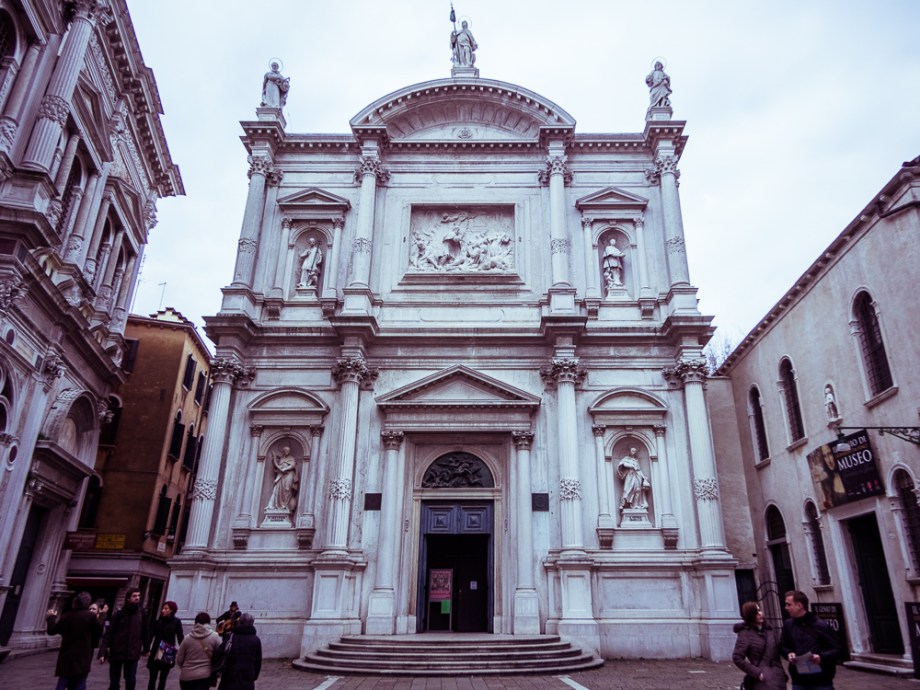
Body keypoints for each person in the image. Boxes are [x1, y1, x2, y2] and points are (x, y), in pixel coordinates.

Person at [780, 590, 841, 690]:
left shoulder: (821, 626)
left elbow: (837, 649)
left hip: (821, 680)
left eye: (788, 605)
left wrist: (821, 657)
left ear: (799, 605)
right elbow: (782, 645)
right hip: (799, 679)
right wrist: (789, 653)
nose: (786, 608)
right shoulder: (788, 625)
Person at [46, 591, 106, 690]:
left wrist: (51, 618)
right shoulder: (90, 616)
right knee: (80, 682)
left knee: (62, 682)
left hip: (66, 655)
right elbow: (99, 629)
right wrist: (103, 615)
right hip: (82, 656)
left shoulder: (67, 616)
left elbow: (52, 630)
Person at [99, 588, 149, 690]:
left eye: (139, 596)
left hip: (133, 651)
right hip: (117, 651)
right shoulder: (119, 614)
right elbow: (109, 634)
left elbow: (145, 632)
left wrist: (146, 648)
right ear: (128, 598)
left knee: (131, 680)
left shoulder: (142, 613)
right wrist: (102, 652)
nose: (137, 598)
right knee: (114, 682)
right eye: (134, 596)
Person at [733, 601, 787, 690]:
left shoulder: (769, 631)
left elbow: (776, 655)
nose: (760, 614)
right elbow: (737, 657)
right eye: (756, 612)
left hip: (778, 678)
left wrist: (781, 672)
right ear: (750, 615)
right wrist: (756, 673)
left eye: (760, 610)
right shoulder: (745, 634)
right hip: (761, 679)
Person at [175, 612, 221, 690]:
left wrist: (186, 668)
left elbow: (179, 659)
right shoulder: (215, 637)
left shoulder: (187, 638)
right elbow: (220, 656)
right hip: (204, 676)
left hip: (186, 676)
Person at [216, 613, 262, 690]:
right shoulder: (256, 640)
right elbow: (258, 661)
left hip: (229, 677)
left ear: (239, 622)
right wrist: (254, 676)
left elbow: (219, 654)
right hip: (247, 678)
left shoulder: (230, 637)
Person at [146, 601, 184, 690]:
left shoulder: (176, 622)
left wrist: (182, 651)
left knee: (163, 678)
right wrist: (147, 649)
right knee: (152, 678)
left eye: (166, 609)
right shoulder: (158, 621)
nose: (163, 611)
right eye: (163, 608)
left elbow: (180, 637)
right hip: (156, 652)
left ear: (171, 610)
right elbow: (151, 635)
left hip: (168, 652)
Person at [267, 446, 298, 512]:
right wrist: (276, 463)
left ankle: (285, 505)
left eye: (288, 451)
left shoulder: (291, 458)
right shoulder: (281, 459)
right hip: (281, 476)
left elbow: (293, 465)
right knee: (279, 490)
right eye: (286, 450)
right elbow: (278, 467)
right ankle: (279, 505)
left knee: (287, 489)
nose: (287, 452)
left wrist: (285, 468)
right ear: (283, 451)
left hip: (289, 475)